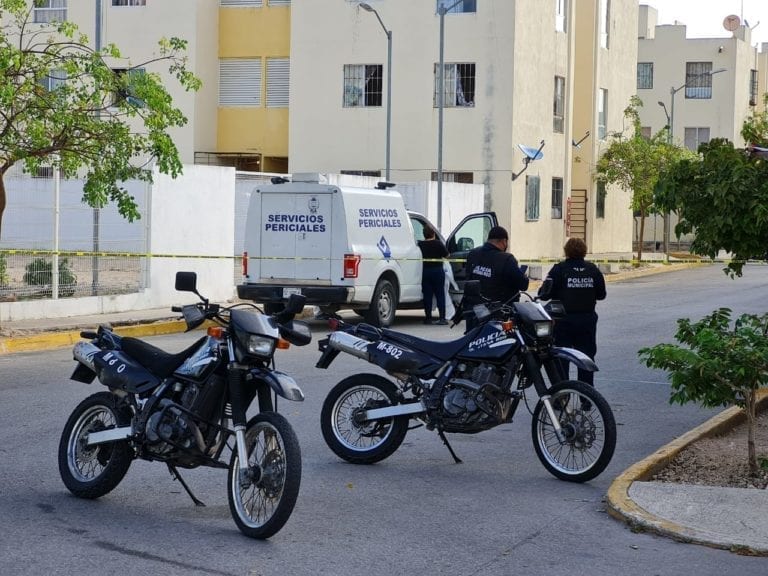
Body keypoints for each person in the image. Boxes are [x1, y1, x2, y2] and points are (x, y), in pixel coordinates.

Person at [538, 237, 606, 386]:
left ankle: (562, 396)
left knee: (561, 359)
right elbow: (602, 295)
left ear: (566, 251)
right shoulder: (592, 269)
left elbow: (544, 294)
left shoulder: (559, 269)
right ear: (584, 251)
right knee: (586, 358)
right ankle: (587, 397)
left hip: (563, 322)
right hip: (587, 320)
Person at [464, 226, 529, 329]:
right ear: (504, 241)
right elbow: (523, 285)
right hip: (499, 315)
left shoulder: (473, 254)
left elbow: (468, 277)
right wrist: (523, 276)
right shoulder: (507, 259)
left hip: (474, 312)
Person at [417, 225, 450, 325]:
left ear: (424, 235)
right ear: (433, 234)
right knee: (440, 294)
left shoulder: (420, 244)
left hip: (425, 272)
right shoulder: (438, 243)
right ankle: (442, 318)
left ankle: (428, 318)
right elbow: (447, 255)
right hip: (437, 271)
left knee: (427, 295)